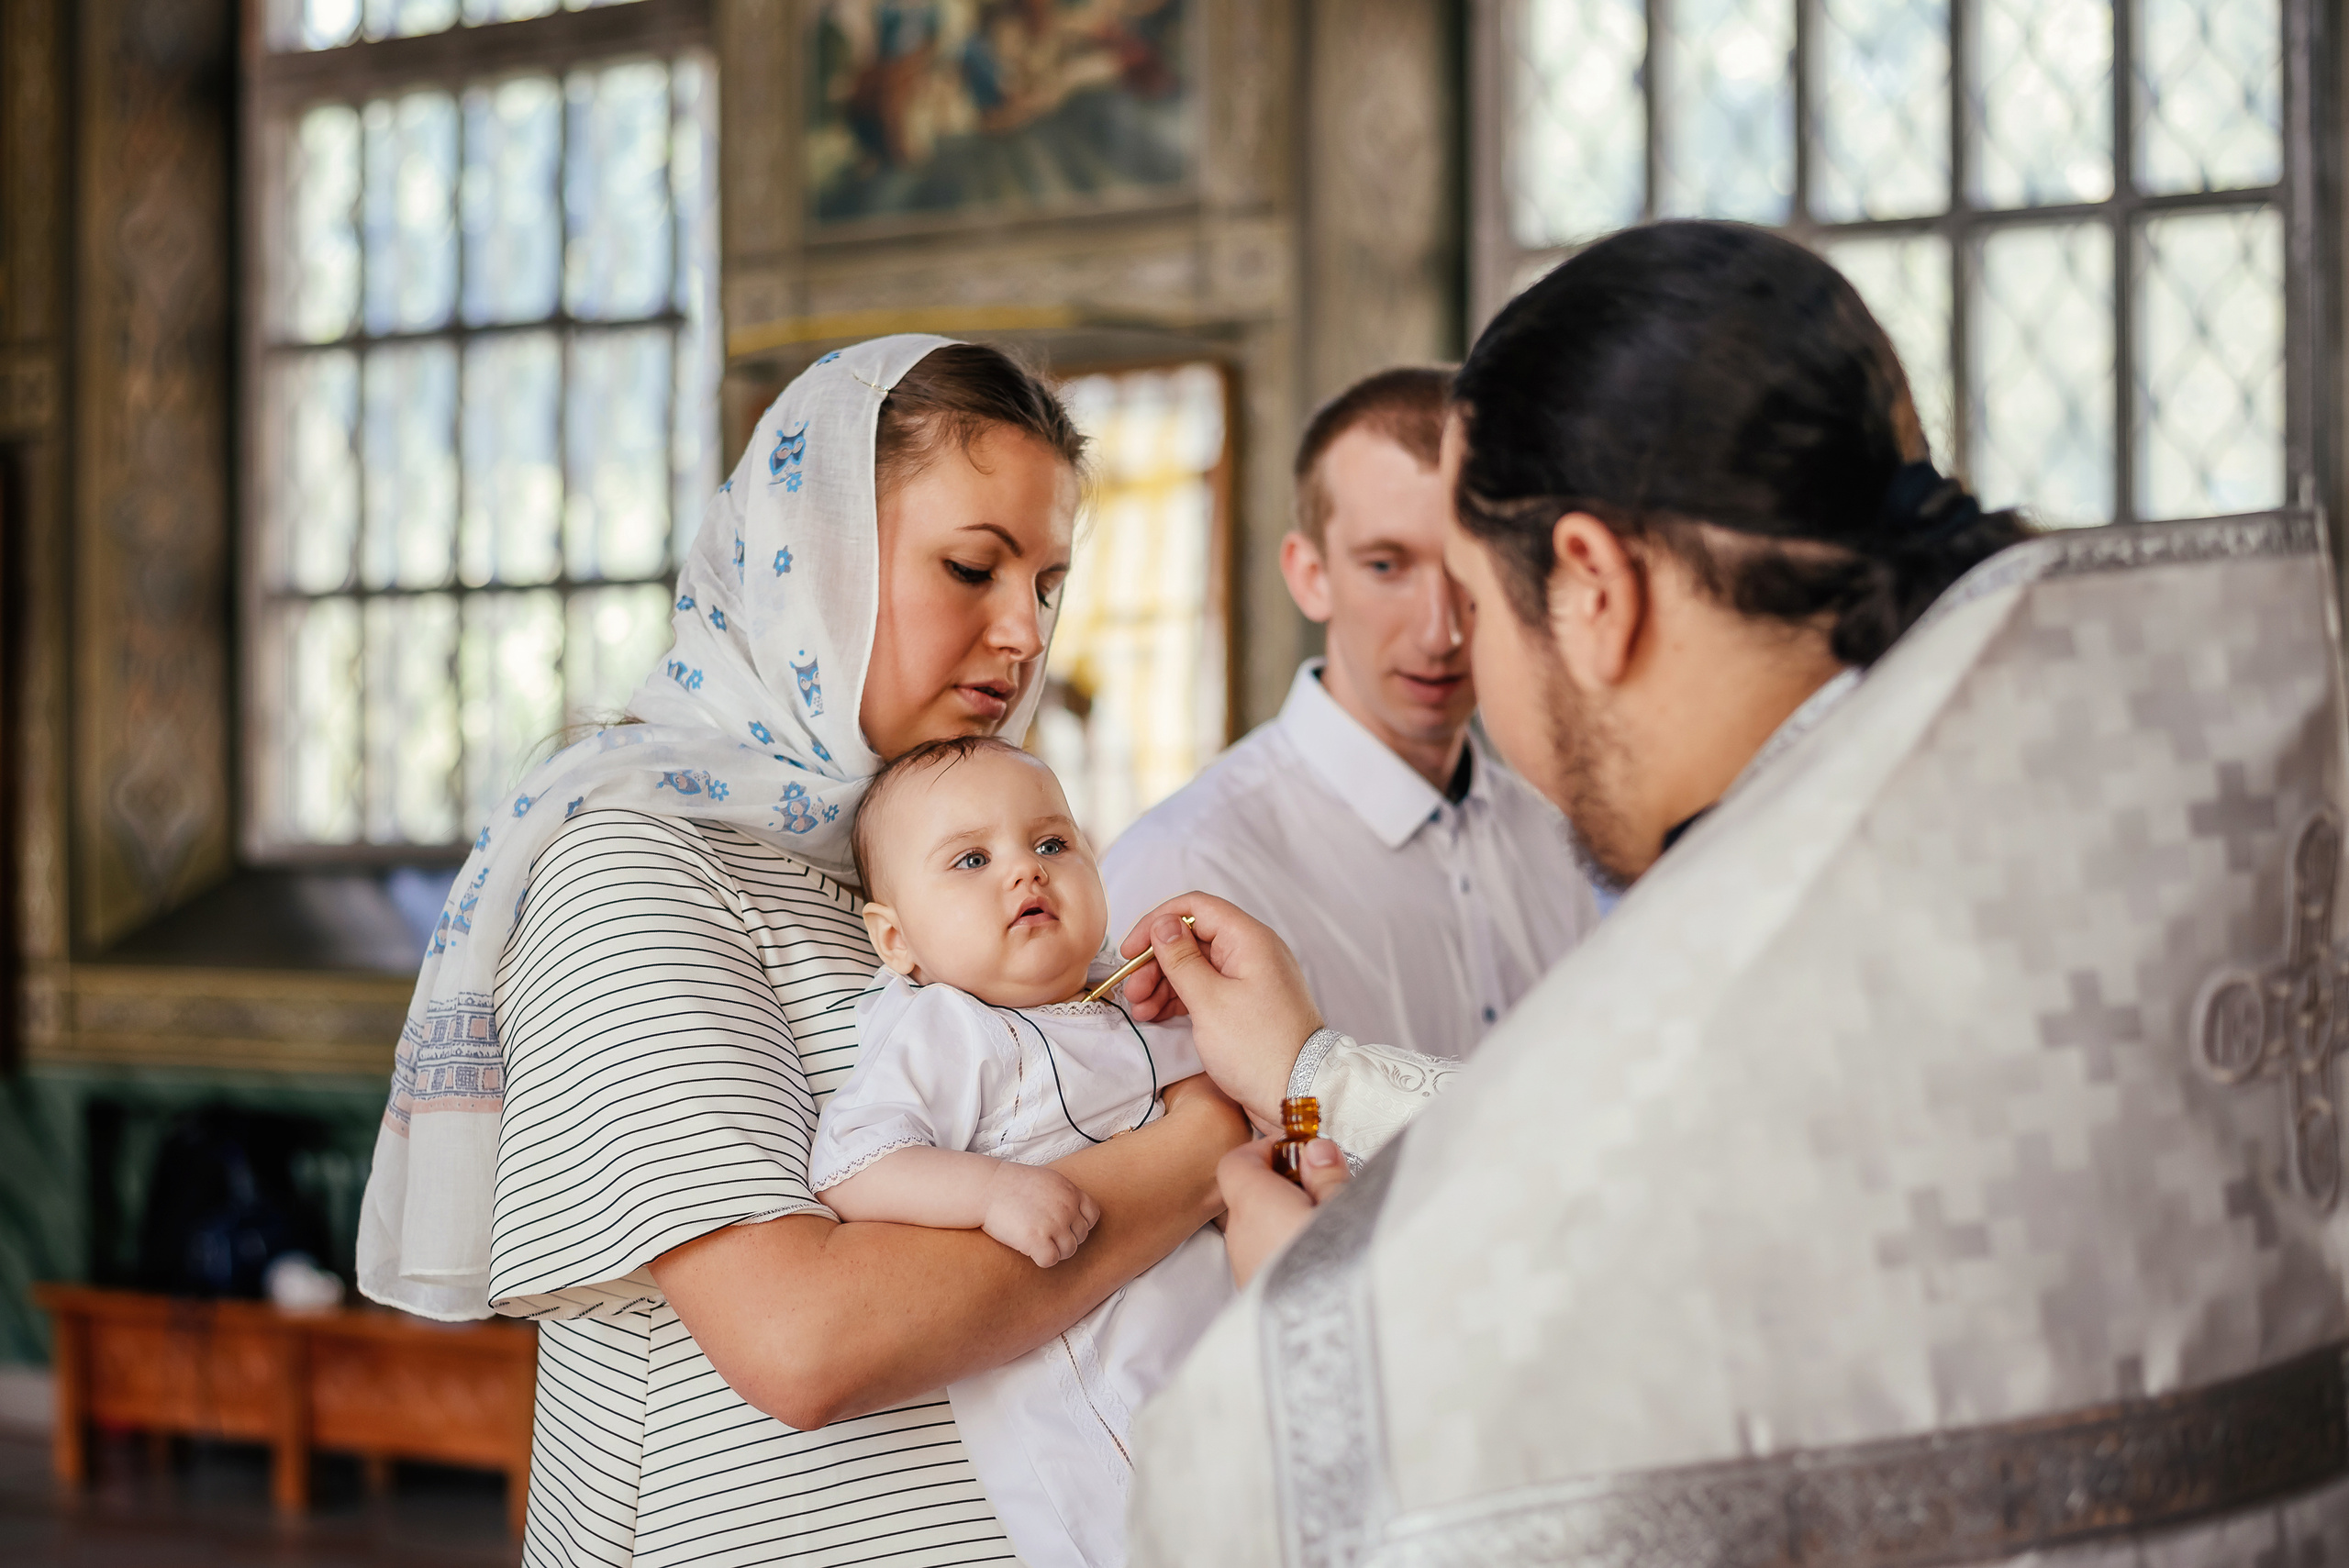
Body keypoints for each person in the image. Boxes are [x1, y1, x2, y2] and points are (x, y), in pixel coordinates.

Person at [1115, 222, 2349, 1562]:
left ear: (1591, 585)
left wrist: (1314, 1306)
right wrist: (1318, 1068)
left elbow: (1277, 1473)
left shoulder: (1762, 929)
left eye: (1472, 587)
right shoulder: (2161, 792)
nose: (1448, 642)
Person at [354, 336, 1248, 1568]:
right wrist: (1205, 1142)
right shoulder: (637, 862)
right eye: (973, 567)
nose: (1023, 634)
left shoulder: (904, 856)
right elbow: (805, 1341)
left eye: (1045, 583)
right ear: (813, 559)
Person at [812, 735, 1230, 1568]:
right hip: (1089, 1416)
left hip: (1208, 1348)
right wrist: (991, 1192)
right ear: (898, 942)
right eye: (971, 859)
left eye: (1051, 843)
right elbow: (854, 1163)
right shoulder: (943, 1025)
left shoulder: (1126, 995)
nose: (1025, 871)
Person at [1102, 367, 1598, 1069]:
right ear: (1311, 574)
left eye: (1468, 568)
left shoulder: (1555, 842)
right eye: (1387, 564)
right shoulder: (1185, 863)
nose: (1440, 632)